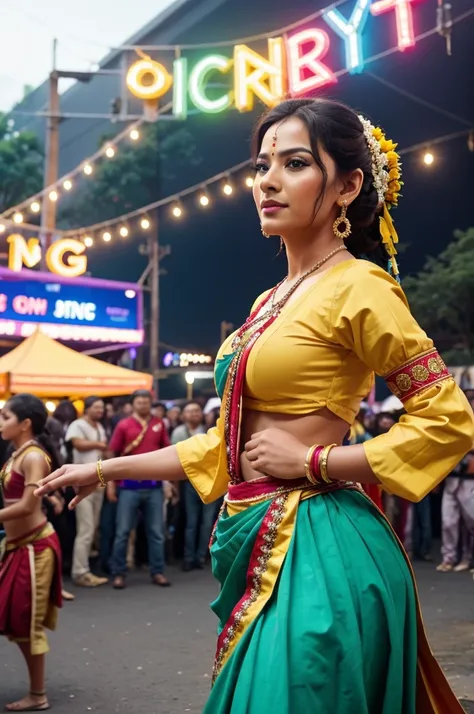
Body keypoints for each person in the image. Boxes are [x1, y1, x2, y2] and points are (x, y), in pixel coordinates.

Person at [36, 98, 474, 713]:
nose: (267, 180)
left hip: (321, 551)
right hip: (257, 532)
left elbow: (449, 417)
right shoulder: (269, 300)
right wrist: (102, 468)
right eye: (262, 164)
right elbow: (225, 443)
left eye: (294, 163)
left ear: (348, 186)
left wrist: (319, 461)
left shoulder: (360, 287)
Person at [0, 394, 62, 712]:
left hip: (33, 547)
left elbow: (27, 505)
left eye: (5, 416)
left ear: (25, 423)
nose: (0, 422)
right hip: (16, 546)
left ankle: (38, 695)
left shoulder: (33, 456)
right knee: (9, 615)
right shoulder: (18, 453)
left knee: (26, 621)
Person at [108, 390, 171, 589]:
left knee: (156, 532)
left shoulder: (159, 424)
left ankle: (158, 571)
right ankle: (118, 573)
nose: (143, 404)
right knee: (123, 532)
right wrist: (110, 483)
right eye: (139, 401)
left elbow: (168, 453)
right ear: (133, 404)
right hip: (128, 486)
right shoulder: (123, 424)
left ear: (150, 403)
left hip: (154, 486)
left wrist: (168, 483)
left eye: (146, 401)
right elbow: (112, 454)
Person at [66, 397, 108, 588]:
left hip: (98, 482)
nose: (100, 410)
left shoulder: (99, 426)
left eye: (102, 407)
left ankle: (85, 566)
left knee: (93, 528)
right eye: (97, 407)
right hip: (82, 484)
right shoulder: (77, 424)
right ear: (87, 408)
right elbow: (77, 444)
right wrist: (98, 445)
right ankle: (80, 572)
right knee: (86, 529)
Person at [171, 402, 215, 571]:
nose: (194, 414)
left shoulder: (209, 431)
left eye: (197, 410)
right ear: (183, 415)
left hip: (210, 481)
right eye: (189, 411)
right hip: (189, 483)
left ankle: (201, 556)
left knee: (207, 522)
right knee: (191, 521)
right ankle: (189, 557)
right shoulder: (178, 432)